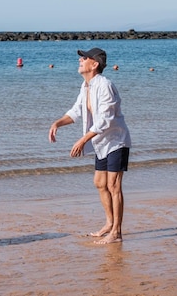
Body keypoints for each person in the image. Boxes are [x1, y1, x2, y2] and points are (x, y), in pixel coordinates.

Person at [48, 47, 131, 244]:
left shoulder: (105, 85)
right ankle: (109, 224)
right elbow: (76, 112)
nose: (80, 60)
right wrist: (57, 123)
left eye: (84, 58)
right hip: (101, 142)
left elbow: (105, 120)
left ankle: (117, 233)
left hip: (116, 141)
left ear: (94, 65)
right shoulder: (85, 86)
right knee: (100, 183)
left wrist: (83, 140)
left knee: (113, 185)